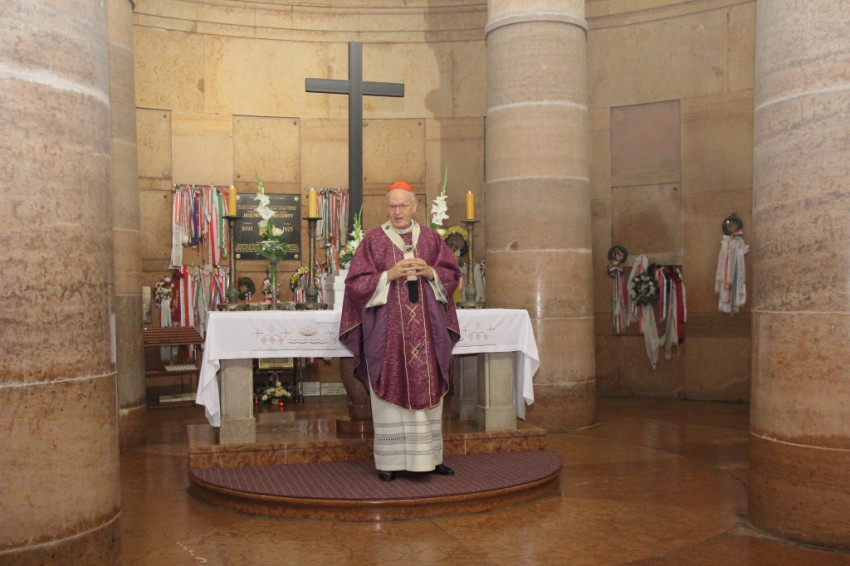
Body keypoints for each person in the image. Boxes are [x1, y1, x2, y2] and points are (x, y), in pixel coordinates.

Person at [339, 180, 461, 482]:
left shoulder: (431, 239)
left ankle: (432, 458)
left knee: (429, 388)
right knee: (391, 387)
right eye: (392, 206)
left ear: (414, 206)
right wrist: (387, 276)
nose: (397, 212)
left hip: (427, 333)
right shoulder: (373, 241)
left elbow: (451, 275)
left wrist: (430, 272)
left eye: (403, 205)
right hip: (389, 335)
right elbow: (355, 285)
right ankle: (389, 461)